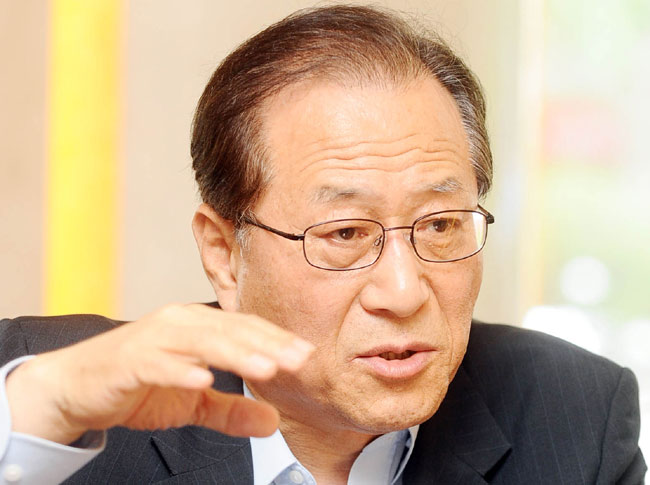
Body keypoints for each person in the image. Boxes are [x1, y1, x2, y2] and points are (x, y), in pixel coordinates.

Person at [0, 5, 646, 484]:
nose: (403, 293)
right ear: (224, 254)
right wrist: (37, 415)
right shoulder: (53, 398)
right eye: (345, 234)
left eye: (440, 224)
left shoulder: (572, 414)